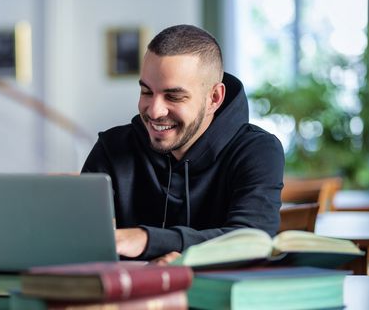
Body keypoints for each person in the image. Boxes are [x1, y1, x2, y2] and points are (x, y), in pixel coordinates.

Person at [81, 24, 285, 262]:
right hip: (123, 296)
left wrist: (147, 239)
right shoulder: (112, 147)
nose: (155, 111)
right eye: (147, 92)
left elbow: (252, 242)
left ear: (214, 98)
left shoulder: (257, 151)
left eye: (174, 96)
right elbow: (79, 241)